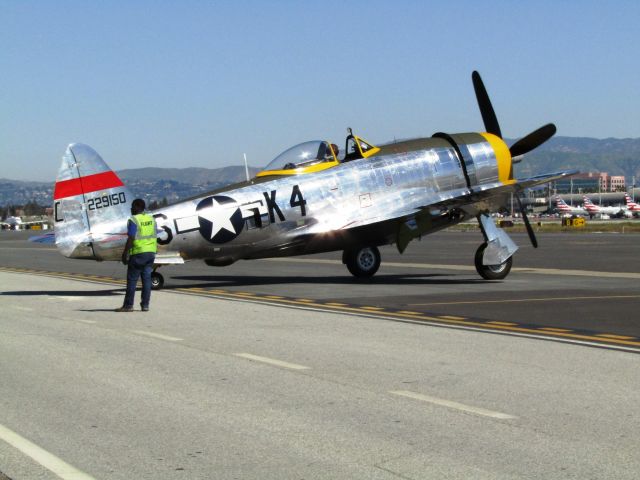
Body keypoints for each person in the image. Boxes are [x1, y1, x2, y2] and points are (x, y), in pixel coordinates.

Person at [115, 198, 157, 312]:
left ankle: (128, 305)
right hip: (151, 252)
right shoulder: (151, 219)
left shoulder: (134, 220)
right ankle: (145, 305)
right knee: (147, 280)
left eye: (132, 206)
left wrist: (125, 253)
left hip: (138, 253)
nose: (131, 209)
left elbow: (131, 237)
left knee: (132, 280)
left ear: (137, 207)